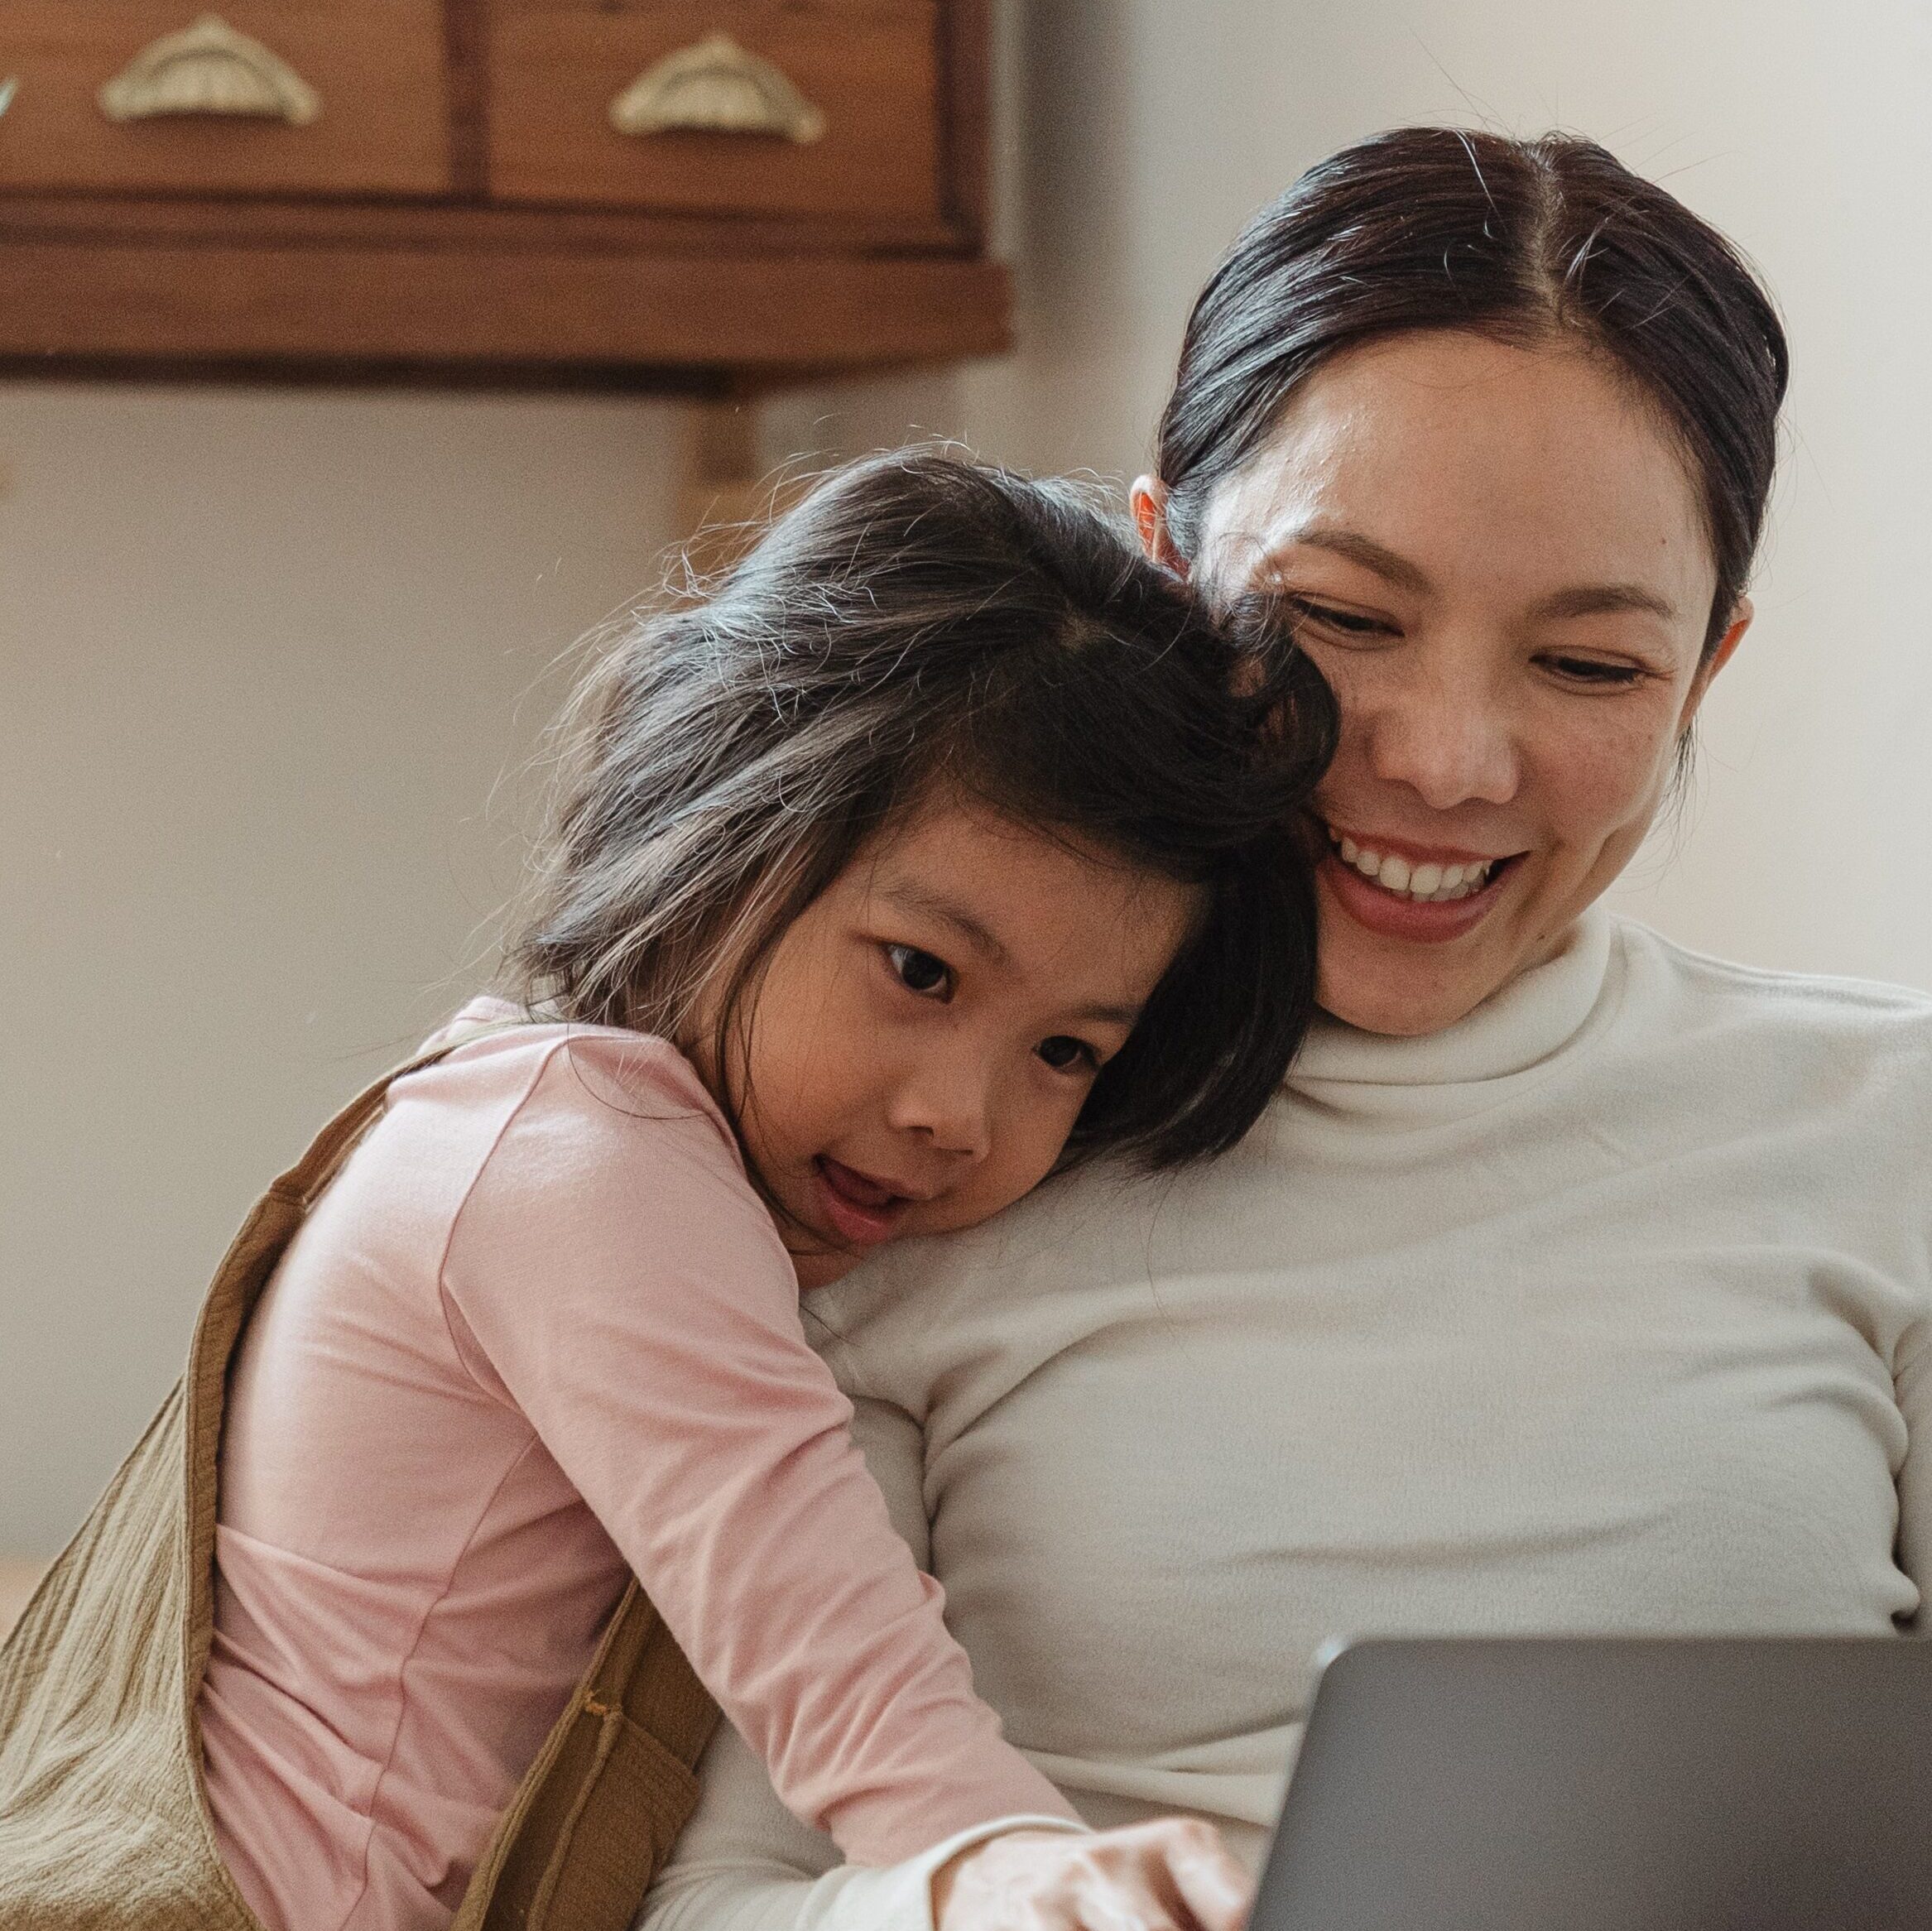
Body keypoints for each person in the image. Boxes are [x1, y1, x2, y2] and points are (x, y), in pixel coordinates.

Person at [633, 129, 1932, 1931]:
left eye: (1589, 665)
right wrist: (977, 1913)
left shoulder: (1892, 1128)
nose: (1444, 760)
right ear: (1163, 572)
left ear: (1707, 666)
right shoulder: (926, 1151)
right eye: (1337, 619)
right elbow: (713, 1904)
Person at [193, 453, 1338, 1931]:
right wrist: (1029, 1869)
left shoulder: (519, 1113)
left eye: (1065, 1050)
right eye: (918, 969)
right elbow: (827, 1649)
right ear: (728, 820)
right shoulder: (590, 1159)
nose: (953, 1114)